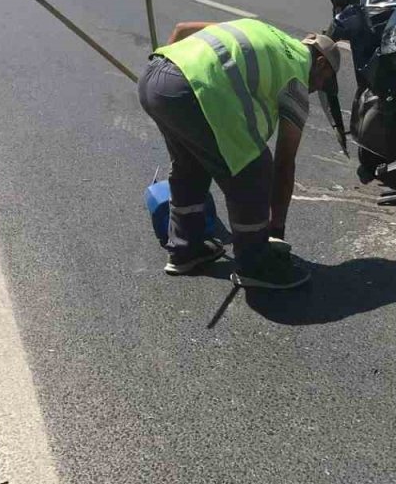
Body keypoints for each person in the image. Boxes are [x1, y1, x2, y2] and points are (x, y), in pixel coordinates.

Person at [137, 18, 341, 290]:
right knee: (253, 169)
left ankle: (186, 250)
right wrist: (275, 233)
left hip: (155, 76)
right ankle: (255, 264)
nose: (318, 89)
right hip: (194, 90)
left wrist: (171, 84)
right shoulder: (296, 77)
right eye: (325, 82)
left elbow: (183, 29)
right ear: (321, 64)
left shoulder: (265, 31)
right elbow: (284, 163)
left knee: (190, 166)